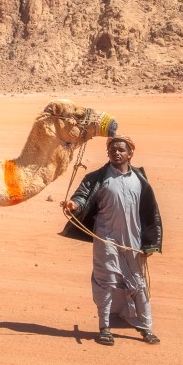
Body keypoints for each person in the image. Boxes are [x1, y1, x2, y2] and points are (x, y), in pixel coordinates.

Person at [61, 135, 163, 346]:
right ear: (108, 153)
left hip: (132, 242)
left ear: (130, 154)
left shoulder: (140, 180)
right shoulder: (97, 178)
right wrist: (73, 205)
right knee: (105, 282)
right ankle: (104, 327)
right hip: (105, 239)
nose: (117, 153)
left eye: (121, 150)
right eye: (113, 150)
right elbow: (82, 197)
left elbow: (150, 213)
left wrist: (150, 243)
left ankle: (146, 328)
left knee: (138, 284)